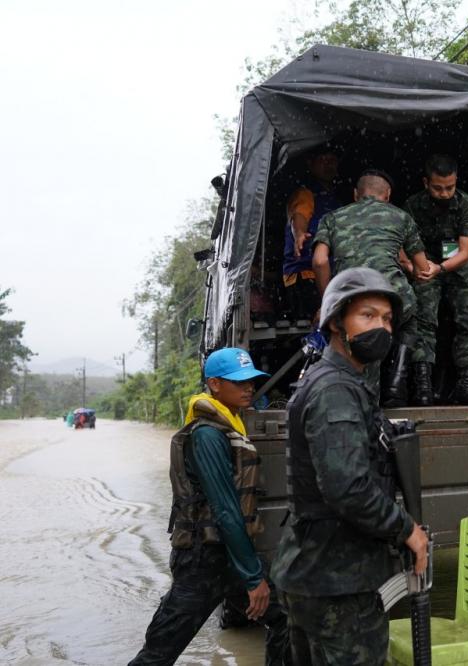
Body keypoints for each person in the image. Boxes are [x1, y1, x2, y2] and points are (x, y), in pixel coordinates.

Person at [271, 267, 429, 665]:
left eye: (387, 319)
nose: (382, 327)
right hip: (335, 584)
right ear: (337, 323)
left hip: (317, 574)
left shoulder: (337, 382)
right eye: (368, 315)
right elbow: (348, 487)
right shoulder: (335, 390)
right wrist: (407, 530)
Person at [130, 348, 289, 666]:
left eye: (252, 382)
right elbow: (226, 510)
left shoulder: (231, 421)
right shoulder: (207, 436)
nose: (249, 388)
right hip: (202, 563)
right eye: (240, 382)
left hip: (228, 558)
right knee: (158, 653)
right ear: (214, 384)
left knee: (286, 616)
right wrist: (253, 577)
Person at [312, 169, 430, 407]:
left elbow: (320, 261)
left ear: (356, 194)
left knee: (363, 350)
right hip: (392, 296)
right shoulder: (401, 217)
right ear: (387, 196)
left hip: (351, 298)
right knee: (409, 318)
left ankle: (362, 405)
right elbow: (422, 268)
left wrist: (328, 302)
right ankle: (397, 381)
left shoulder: (332, 218)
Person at [405, 154, 468, 406]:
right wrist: (416, 267)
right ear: (426, 182)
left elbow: (465, 252)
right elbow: (403, 244)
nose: (444, 193)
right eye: (438, 188)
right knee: (423, 320)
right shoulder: (413, 205)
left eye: (449, 187)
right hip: (424, 265)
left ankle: (466, 384)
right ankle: (423, 385)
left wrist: (440, 267)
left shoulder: (467, 205)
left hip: (456, 267)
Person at [282, 148, 341, 321]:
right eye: (323, 159)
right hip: (306, 276)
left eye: (332, 160)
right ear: (310, 163)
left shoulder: (336, 199)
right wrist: (299, 233)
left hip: (329, 276)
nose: (328, 164)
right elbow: (299, 216)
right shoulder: (305, 192)